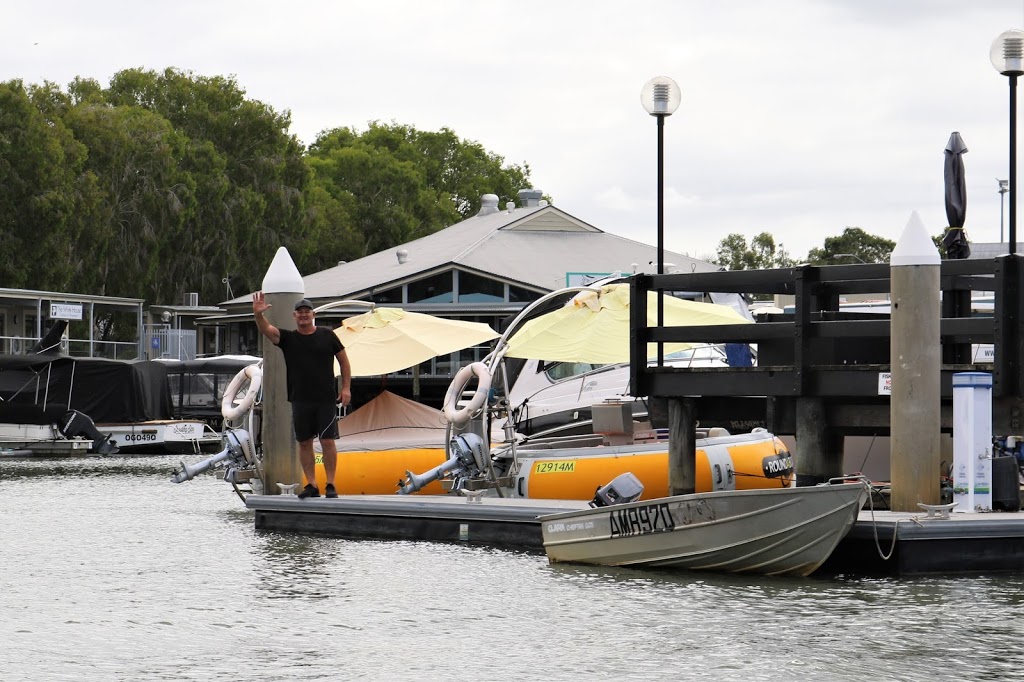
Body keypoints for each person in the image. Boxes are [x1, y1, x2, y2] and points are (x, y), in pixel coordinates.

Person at [252, 292, 352, 499]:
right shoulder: (289, 338)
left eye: (307, 312)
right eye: (300, 312)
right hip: (300, 399)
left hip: (325, 398)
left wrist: (346, 388)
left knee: (327, 441)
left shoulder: (327, 335)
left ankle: (331, 484)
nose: (304, 315)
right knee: (304, 442)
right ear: (294, 316)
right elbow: (267, 330)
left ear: (313, 314)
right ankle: (312, 485)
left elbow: (344, 361)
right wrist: (258, 315)